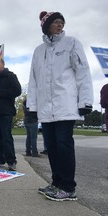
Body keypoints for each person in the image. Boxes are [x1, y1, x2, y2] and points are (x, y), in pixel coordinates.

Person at [27, 11, 93, 201]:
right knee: (52, 147)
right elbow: (33, 80)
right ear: (46, 25)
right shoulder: (38, 51)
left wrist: (85, 101)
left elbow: (83, 71)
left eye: (61, 22)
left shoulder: (71, 43)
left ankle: (68, 187)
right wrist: (32, 106)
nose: (59, 25)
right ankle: (56, 183)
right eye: (55, 22)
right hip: (46, 109)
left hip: (65, 105)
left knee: (64, 145)